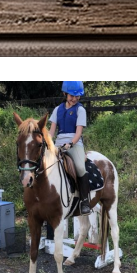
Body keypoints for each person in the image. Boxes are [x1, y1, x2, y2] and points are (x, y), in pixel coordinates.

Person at [49, 81, 91, 215]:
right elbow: (51, 131)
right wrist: (48, 143)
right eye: (72, 96)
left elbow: (78, 133)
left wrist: (70, 144)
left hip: (74, 143)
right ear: (65, 94)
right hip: (58, 143)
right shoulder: (57, 109)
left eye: (77, 96)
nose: (74, 99)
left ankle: (85, 201)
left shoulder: (80, 110)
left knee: (80, 167)